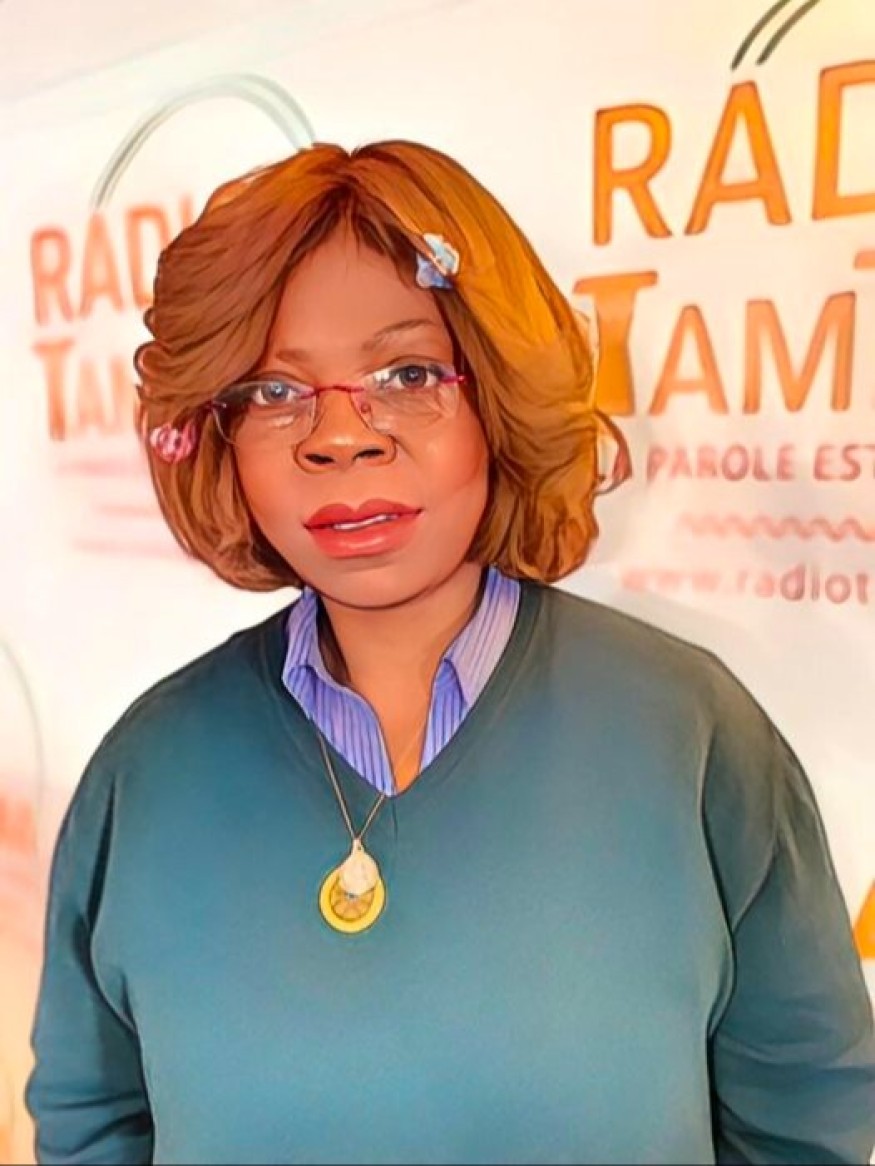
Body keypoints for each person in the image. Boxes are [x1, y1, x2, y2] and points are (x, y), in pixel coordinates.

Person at [25, 140, 875, 1165]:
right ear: (217, 434)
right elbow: (92, 1121)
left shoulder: (691, 734)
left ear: (497, 399)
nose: (340, 437)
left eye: (408, 374)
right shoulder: (144, 770)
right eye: (274, 391)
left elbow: (804, 1122)